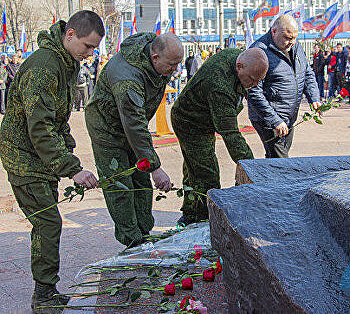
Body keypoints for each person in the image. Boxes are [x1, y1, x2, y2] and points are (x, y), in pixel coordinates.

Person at [0, 10, 104, 313]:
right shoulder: (45, 66)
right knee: (47, 221)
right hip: (23, 156)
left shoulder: (65, 62)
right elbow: (41, 127)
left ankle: (46, 289)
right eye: (87, 46)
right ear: (69, 35)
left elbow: (59, 118)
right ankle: (43, 294)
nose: (90, 54)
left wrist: (68, 150)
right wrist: (72, 169)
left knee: (47, 222)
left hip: (40, 156)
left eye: (94, 48)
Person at [85, 32, 184, 247]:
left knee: (141, 181)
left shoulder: (156, 56)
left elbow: (135, 125)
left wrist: (148, 166)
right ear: (155, 57)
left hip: (130, 124)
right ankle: (132, 241)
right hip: (108, 131)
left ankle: (143, 232)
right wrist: (155, 168)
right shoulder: (127, 79)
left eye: (178, 64)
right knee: (119, 185)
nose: (175, 70)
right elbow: (134, 125)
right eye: (171, 65)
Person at [171, 48, 269, 225]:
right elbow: (230, 133)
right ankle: (203, 222)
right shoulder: (219, 84)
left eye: (259, 81)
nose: (254, 85)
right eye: (252, 80)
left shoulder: (241, 62)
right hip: (190, 122)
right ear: (239, 66)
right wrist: (251, 167)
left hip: (204, 118)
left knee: (194, 167)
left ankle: (190, 214)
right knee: (206, 174)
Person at [248, 15, 321, 159]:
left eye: (294, 37)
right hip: (267, 119)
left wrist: (314, 98)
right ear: (274, 31)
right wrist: (274, 120)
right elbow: (253, 92)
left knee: (275, 161)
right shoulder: (258, 51)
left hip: (289, 116)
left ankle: (264, 180)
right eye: (287, 38)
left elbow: (306, 72)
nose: (292, 42)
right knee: (282, 162)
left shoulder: (296, 46)